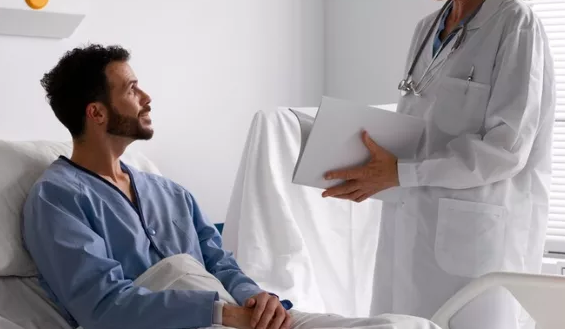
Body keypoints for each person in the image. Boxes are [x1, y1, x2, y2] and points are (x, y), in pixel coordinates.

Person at [22, 44, 439, 329]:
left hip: (235, 316)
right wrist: (220, 312)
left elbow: (221, 264)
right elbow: (103, 307)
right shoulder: (59, 198)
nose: (147, 97)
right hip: (189, 321)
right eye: (131, 89)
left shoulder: (170, 193)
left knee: (403, 327)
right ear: (96, 113)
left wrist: (257, 299)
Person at [321, 0, 556, 329]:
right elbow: (422, 125)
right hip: (411, 226)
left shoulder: (515, 26)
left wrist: (403, 173)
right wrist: (366, 161)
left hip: (476, 244)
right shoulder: (426, 28)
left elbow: (506, 149)